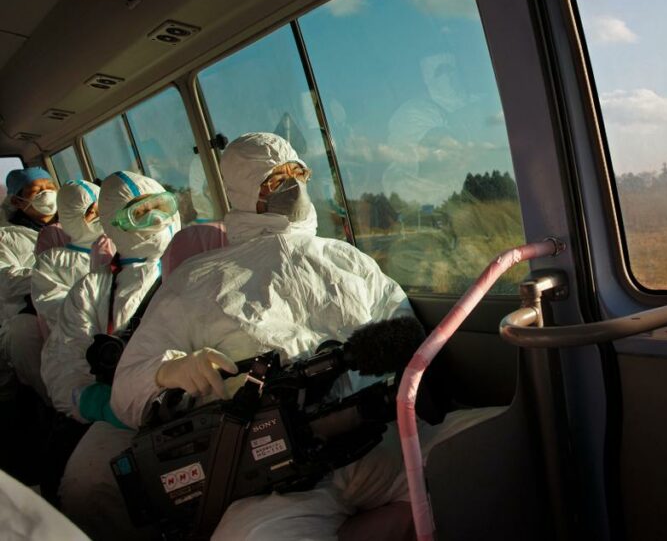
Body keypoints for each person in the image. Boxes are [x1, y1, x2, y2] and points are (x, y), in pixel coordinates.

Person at [113, 132, 414, 539]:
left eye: (298, 172)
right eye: (274, 180)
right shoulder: (196, 278)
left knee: (469, 467)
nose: (292, 185)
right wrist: (170, 371)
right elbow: (126, 389)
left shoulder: (346, 258)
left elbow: (408, 337)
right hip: (273, 482)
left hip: (370, 442)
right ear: (244, 193)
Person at [45, 171, 178, 540]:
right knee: (85, 486)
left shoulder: (204, 264)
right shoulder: (94, 289)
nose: (159, 221)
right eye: (142, 214)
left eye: (162, 207)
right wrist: (92, 400)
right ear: (115, 226)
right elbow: (63, 361)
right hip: (122, 410)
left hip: (200, 396)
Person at [0, 167, 58, 400]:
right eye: (37, 190)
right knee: (22, 334)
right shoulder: (6, 237)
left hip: (74, 300)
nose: (47, 194)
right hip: (29, 310)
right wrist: (53, 277)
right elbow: (6, 281)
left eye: (50, 188)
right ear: (17, 200)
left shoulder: (76, 222)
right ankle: (55, 402)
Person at [31, 181, 103, 339]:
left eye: (103, 209)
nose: (102, 217)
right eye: (92, 212)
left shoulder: (123, 249)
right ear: (72, 218)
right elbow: (57, 309)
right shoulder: (52, 262)